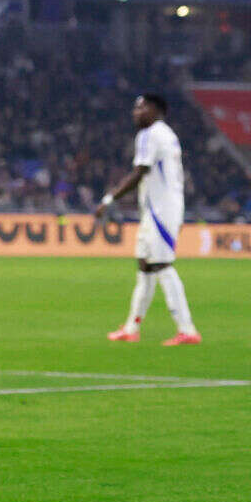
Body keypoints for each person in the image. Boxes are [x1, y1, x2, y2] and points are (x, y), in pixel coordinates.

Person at [97, 94, 200, 346]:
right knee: (145, 266)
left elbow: (140, 172)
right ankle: (132, 327)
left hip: (161, 210)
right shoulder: (167, 134)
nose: (135, 112)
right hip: (156, 208)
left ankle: (187, 329)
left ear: (155, 110)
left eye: (141, 107)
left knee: (162, 265)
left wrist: (110, 199)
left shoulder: (151, 134)